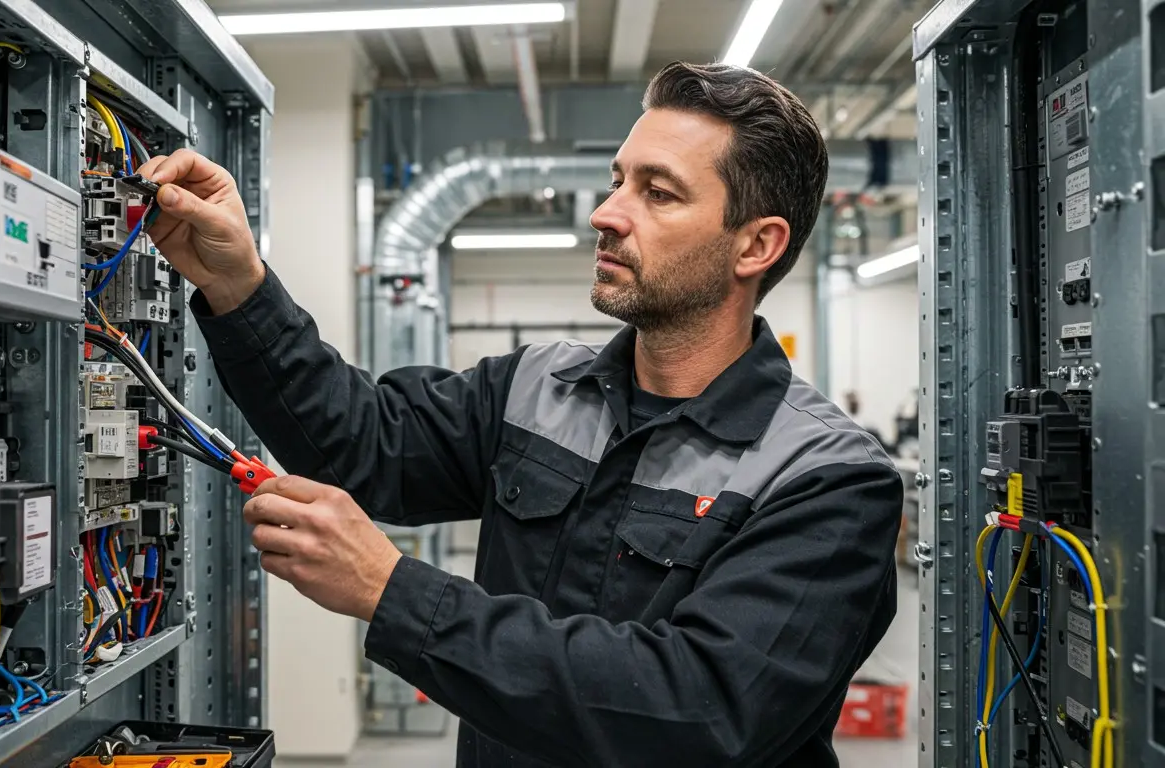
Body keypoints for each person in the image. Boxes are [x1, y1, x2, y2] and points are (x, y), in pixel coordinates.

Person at [136, 62, 903, 768]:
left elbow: (697, 712)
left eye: (657, 193)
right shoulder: (536, 388)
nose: (607, 212)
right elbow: (363, 444)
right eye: (617, 181)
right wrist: (239, 284)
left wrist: (392, 589)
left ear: (755, 245)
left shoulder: (830, 480)